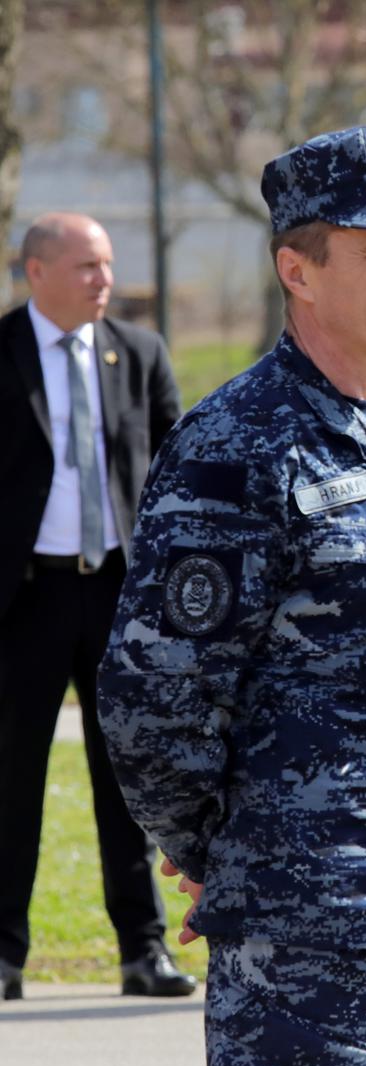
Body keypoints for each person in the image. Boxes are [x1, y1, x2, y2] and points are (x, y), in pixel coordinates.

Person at [96, 122, 366, 1066]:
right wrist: (220, 851)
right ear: (299, 269)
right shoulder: (241, 446)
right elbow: (152, 694)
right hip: (306, 942)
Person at [0, 212, 187, 1002]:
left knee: (128, 778)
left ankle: (143, 953)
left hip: (120, 595)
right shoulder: (1, 353)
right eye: (85, 266)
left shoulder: (138, 353)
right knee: (12, 781)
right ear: (35, 271)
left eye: (107, 265)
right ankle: (4, 955)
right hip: (25, 598)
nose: (103, 280)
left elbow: (177, 463)